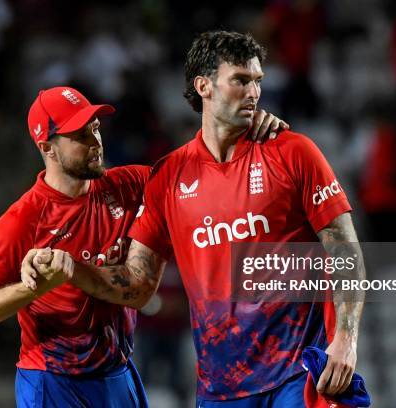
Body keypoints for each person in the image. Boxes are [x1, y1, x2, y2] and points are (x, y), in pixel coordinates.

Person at [23, 31, 365, 407]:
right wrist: (73, 269)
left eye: (257, 82)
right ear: (203, 86)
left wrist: (345, 341)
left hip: (298, 377)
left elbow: (344, 248)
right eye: (240, 80)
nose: (253, 93)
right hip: (222, 389)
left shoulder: (293, 152)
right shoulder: (169, 177)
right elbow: (137, 285)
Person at [0, 85, 287, 407]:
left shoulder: (128, 185)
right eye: (80, 135)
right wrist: (34, 288)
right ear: (47, 147)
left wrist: (245, 133)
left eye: (95, 128)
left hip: (118, 372)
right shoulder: (23, 220)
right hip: (54, 380)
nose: (95, 142)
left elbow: (201, 172)